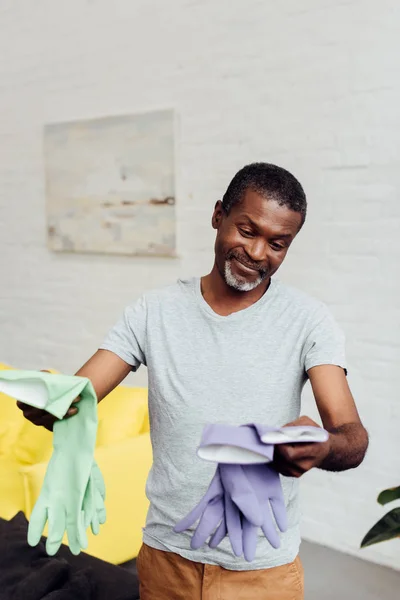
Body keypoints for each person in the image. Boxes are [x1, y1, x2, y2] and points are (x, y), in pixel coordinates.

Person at [17, 162, 369, 600]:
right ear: (218, 214)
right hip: (166, 559)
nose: (258, 253)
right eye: (247, 230)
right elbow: (80, 394)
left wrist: (324, 447)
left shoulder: (308, 320)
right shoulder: (153, 312)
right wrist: (51, 407)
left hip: (261, 569)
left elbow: (352, 437)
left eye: (277, 244)